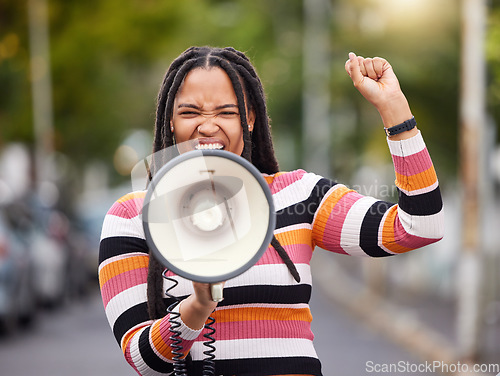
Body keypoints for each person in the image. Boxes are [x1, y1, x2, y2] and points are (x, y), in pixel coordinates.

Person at [98, 46, 444, 376]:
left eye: (226, 112)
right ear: (170, 120)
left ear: (249, 118)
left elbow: (420, 227)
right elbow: (142, 360)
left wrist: (394, 110)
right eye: (189, 112)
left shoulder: (299, 195)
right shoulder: (133, 217)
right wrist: (198, 306)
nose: (206, 126)